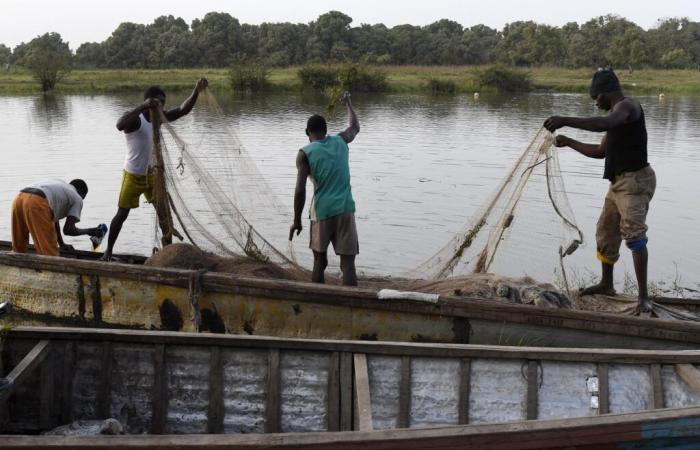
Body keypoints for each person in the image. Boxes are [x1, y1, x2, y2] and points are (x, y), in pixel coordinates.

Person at [544, 68, 656, 312]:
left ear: (607, 93)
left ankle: (644, 298)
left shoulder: (627, 108)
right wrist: (568, 142)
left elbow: (604, 123)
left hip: (635, 182)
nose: (596, 103)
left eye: (597, 98)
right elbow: (600, 152)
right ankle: (607, 284)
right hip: (618, 184)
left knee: (634, 235)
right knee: (606, 231)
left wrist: (565, 119)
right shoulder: (615, 118)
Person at [101, 78, 208, 261]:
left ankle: (168, 255)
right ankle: (108, 252)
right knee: (122, 214)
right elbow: (119, 125)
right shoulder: (136, 120)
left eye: (163, 104)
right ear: (149, 102)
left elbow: (181, 111)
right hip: (133, 176)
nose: (162, 107)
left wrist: (196, 91)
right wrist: (142, 107)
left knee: (164, 215)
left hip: (153, 176)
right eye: (158, 103)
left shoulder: (158, 119)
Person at [289, 92, 360, 286]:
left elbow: (299, 191)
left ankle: (317, 303)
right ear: (326, 130)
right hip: (345, 209)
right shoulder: (340, 141)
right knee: (348, 266)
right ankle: (350, 307)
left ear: (307, 132)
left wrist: (296, 220)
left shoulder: (305, 153)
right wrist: (348, 103)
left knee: (319, 262)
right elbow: (355, 127)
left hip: (322, 212)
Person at [11, 179, 102, 256]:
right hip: (37, 202)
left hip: (19, 198)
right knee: (49, 253)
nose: (82, 200)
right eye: (83, 198)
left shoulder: (61, 186)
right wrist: (89, 231)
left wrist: (61, 244)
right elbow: (68, 230)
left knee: (18, 248)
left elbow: (54, 221)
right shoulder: (77, 198)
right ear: (81, 193)